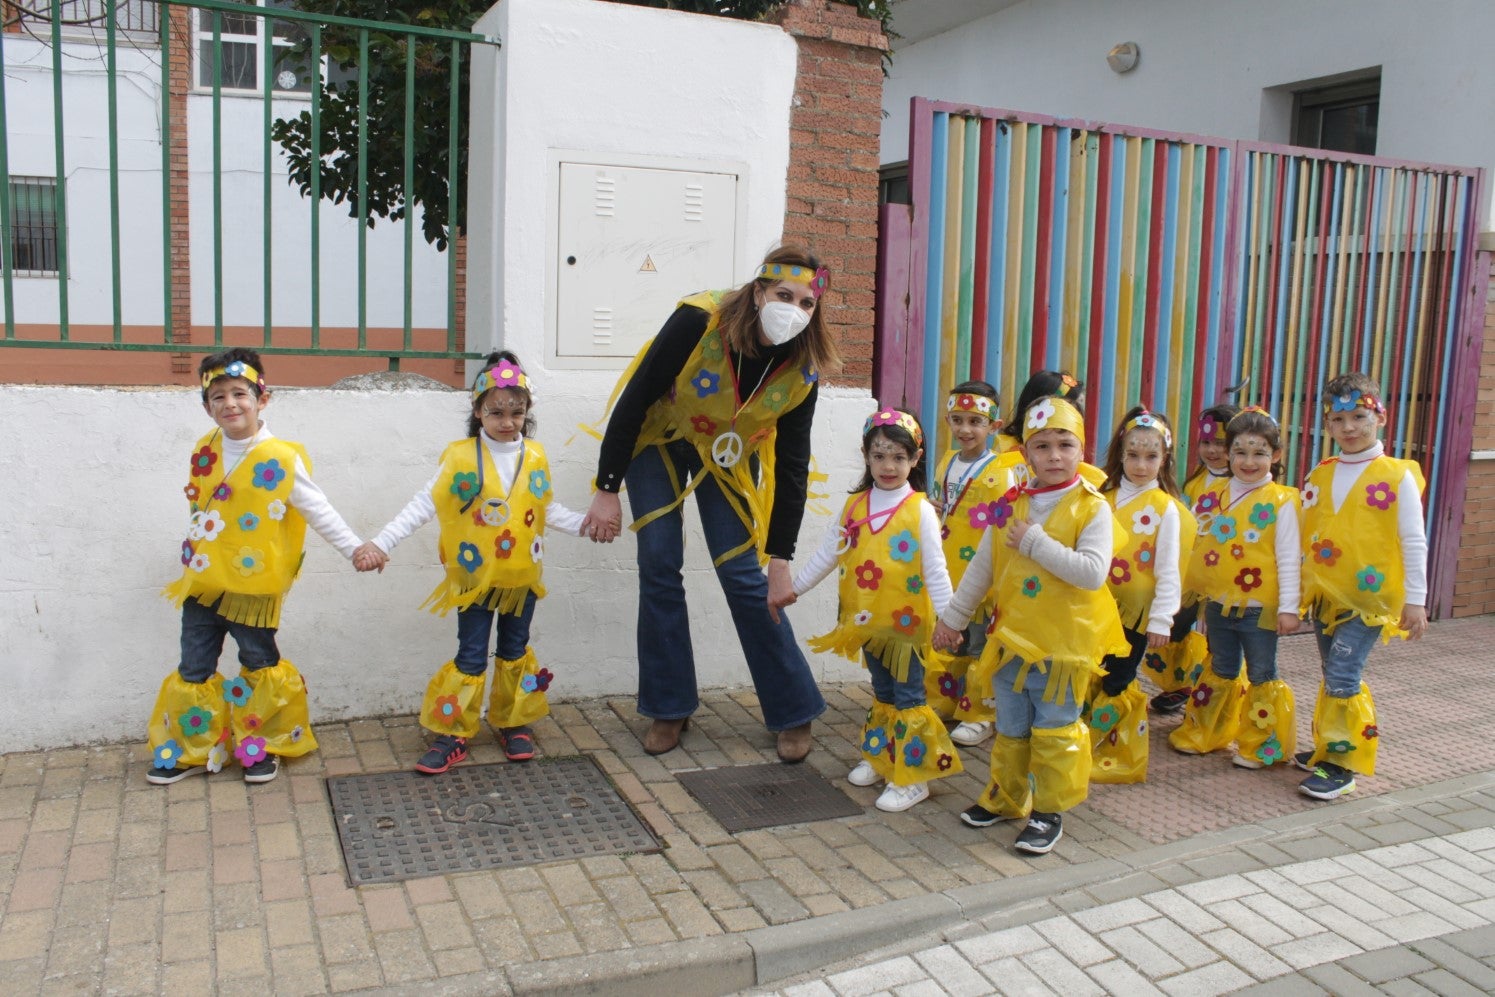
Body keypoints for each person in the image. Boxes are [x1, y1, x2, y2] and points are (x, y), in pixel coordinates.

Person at [580, 246, 839, 762]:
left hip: (730, 451)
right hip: (662, 436)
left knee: (745, 574)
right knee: (658, 562)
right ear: (759, 290)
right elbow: (636, 397)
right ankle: (668, 706)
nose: (793, 309)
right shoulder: (699, 320)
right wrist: (606, 487)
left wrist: (781, 561)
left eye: (806, 303)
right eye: (783, 295)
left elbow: (792, 466)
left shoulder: (803, 368)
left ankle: (793, 708)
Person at [353, 352, 584, 773]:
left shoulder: (535, 456)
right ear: (478, 411)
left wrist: (588, 524)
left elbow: (547, 508)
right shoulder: (459, 457)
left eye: (517, 412)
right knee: (471, 655)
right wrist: (382, 542)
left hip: (520, 580)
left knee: (514, 650)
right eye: (496, 411)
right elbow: (423, 504)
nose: (507, 421)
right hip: (474, 581)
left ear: (527, 412)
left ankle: (513, 722)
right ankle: (455, 732)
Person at [147, 348, 363, 786]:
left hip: (253, 591)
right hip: (204, 582)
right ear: (206, 406)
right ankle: (194, 749)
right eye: (218, 396)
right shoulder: (204, 449)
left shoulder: (280, 458)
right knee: (194, 666)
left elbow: (316, 508)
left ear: (262, 398)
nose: (230, 404)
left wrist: (356, 548)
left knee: (258, 662)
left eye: (239, 393)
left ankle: (260, 746)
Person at [933, 396, 1129, 855]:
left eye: (1065, 444)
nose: (1055, 456)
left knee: (1055, 730)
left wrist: (1036, 542)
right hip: (1010, 642)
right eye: (1042, 446)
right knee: (1013, 727)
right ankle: (1006, 798)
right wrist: (954, 618)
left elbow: (1092, 572)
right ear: (1026, 453)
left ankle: (1048, 812)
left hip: (1062, 649)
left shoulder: (1092, 507)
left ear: (1082, 449)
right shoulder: (1012, 503)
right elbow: (983, 566)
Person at [793, 407, 959, 812]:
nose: (889, 465)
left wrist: (953, 619)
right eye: (880, 455)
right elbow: (827, 553)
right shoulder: (854, 506)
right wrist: (791, 589)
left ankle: (914, 777)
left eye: (899, 457)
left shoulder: (919, 508)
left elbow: (936, 569)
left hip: (908, 629)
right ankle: (883, 757)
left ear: (915, 459)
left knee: (909, 697)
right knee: (883, 693)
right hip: (868, 624)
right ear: (866, 456)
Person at [1296, 372, 1427, 800]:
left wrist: (1416, 599)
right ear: (1327, 424)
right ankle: (1330, 743)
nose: (1349, 427)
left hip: (1368, 601)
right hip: (1325, 597)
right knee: (1333, 673)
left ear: (1380, 418)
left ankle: (1341, 762)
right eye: (1338, 419)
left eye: (1358, 416)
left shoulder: (1397, 474)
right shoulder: (1322, 472)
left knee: (1342, 674)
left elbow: (1413, 537)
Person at [1168, 408, 1299, 768]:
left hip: (1260, 608)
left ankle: (1261, 745)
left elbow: (1289, 557)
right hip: (1218, 604)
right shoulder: (1212, 495)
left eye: (1259, 453)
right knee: (1222, 667)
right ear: (1229, 454)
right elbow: (1194, 546)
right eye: (1240, 452)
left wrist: (1290, 608)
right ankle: (1207, 732)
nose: (1248, 461)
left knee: (1261, 673)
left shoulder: (1284, 501)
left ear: (1275, 455)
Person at [1091, 407, 1194, 783]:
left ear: (1164, 459)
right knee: (1093, 671)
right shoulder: (1103, 497)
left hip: (1133, 616)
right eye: (1133, 455)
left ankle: (1110, 748)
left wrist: (1161, 618)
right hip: (1094, 607)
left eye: (1151, 456)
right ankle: (1087, 737)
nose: (1140, 464)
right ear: (1120, 454)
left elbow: (1169, 569)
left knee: (1118, 678)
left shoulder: (1167, 510)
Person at [924, 380, 1011, 747]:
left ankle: (981, 712)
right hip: (948, 568)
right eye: (957, 420)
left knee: (979, 644)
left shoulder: (1003, 470)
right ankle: (950, 699)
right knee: (952, 639)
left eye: (975, 421)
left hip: (982, 574)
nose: (965, 429)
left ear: (995, 425)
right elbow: (942, 502)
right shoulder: (946, 461)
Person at [1146, 404, 1240, 715]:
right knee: (1176, 626)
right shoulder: (1193, 484)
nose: (1212, 451)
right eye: (1206, 442)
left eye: (1222, 444)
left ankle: (1215, 706)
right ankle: (1181, 685)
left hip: (1227, 578)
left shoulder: (1241, 486)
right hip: (1190, 572)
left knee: (1220, 642)